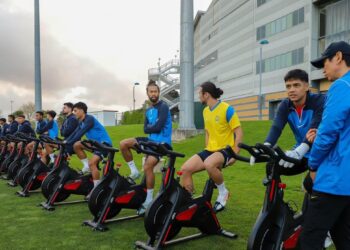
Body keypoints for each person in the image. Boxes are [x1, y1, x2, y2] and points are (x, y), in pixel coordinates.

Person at [300, 41, 350, 249]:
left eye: (325, 62)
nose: (323, 68)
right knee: (344, 237)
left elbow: (329, 132)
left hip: (334, 178)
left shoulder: (341, 86)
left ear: (338, 57)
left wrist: (313, 164)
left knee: (310, 239)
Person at [251, 69, 325, 188]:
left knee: (310, 185)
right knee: (272, 166)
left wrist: (301, 150)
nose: (291, 90)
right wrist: (266, 146)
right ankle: (273, 204)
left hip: (321, 153)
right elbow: (276, 127)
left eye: (296, 85)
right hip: (300, 153)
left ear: (306, 86)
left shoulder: (320, 101)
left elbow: (315, 127)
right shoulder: (285, 105)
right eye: (288, 86)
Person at [180, 81, 243, 213]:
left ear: (206, 94)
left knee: (209, 164)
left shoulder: (227, 109)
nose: (199, 96)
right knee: (185, 169)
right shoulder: (205, 111)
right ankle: (188, 202)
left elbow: (238, 132)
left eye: (200, 93)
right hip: (210, 150)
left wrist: (235, 154)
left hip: (226, 150)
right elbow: (208, 132)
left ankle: (223, 192)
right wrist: (207, 148)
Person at [119, 80, 172, 215]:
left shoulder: (163, 107)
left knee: (148, 166)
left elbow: (158, 127)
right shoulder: (148, 110)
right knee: (123, 144)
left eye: (155, 91)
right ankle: (134, 172)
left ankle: (149, 200)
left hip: (162, 143)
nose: (153, 94)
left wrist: (151, 128)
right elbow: (145, 129)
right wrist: (151, 128)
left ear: (158, 93)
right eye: (151, 91)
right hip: (150, 140)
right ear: (147, 93)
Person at [65, 102, 113, 195]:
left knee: (92, 163)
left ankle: (96, 190)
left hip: (104, 145)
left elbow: (81, 133)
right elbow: (74, 133)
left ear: (82, 111)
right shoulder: (81, 122)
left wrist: (68, 142)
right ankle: (86, 166)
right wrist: (65, 142)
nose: (74, 113)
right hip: (94, 144)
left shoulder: (89, 119)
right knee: (77, 145)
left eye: (75, 110)